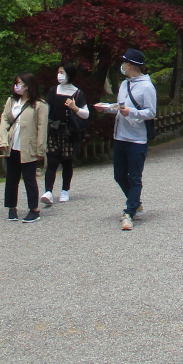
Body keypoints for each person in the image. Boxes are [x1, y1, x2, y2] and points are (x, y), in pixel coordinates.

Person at [95, 49, 157, 231]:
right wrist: (106, 108)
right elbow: (120, 107)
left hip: (137, 138)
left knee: (135, 177)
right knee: (119, 175)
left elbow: (151, 112)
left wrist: (132, 112)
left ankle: (129, 212)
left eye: (123, 63)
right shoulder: (124, 85)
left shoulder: (147, 87)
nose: (121, 66)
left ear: (129, 65)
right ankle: (135, 203)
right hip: (120, 136)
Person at [0, 72, 48, 223]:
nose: (16, 86)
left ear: (27, 86)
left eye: (19, 83)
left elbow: (42, 128)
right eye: (16, 83)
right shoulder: (11, 101)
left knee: (29, 178)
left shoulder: (39, 105)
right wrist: (3, 140)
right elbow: (5, 119)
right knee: (11, 178)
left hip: (29, 146)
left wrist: (41, 149)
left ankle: (34, 209)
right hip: (13, 144)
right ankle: (11, 207)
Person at [41, 63, 89, 206]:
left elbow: (86, 114)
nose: (59, 75)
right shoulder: (53, 90)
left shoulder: (77, 93)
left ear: (69, 74)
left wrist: (75, 108)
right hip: (54, 130)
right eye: (58, 72)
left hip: (69, 132)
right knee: (52, 161)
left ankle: (65, 190)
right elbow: (46, 109)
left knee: (67, 161)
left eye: (62, 72)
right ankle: (48, 191)